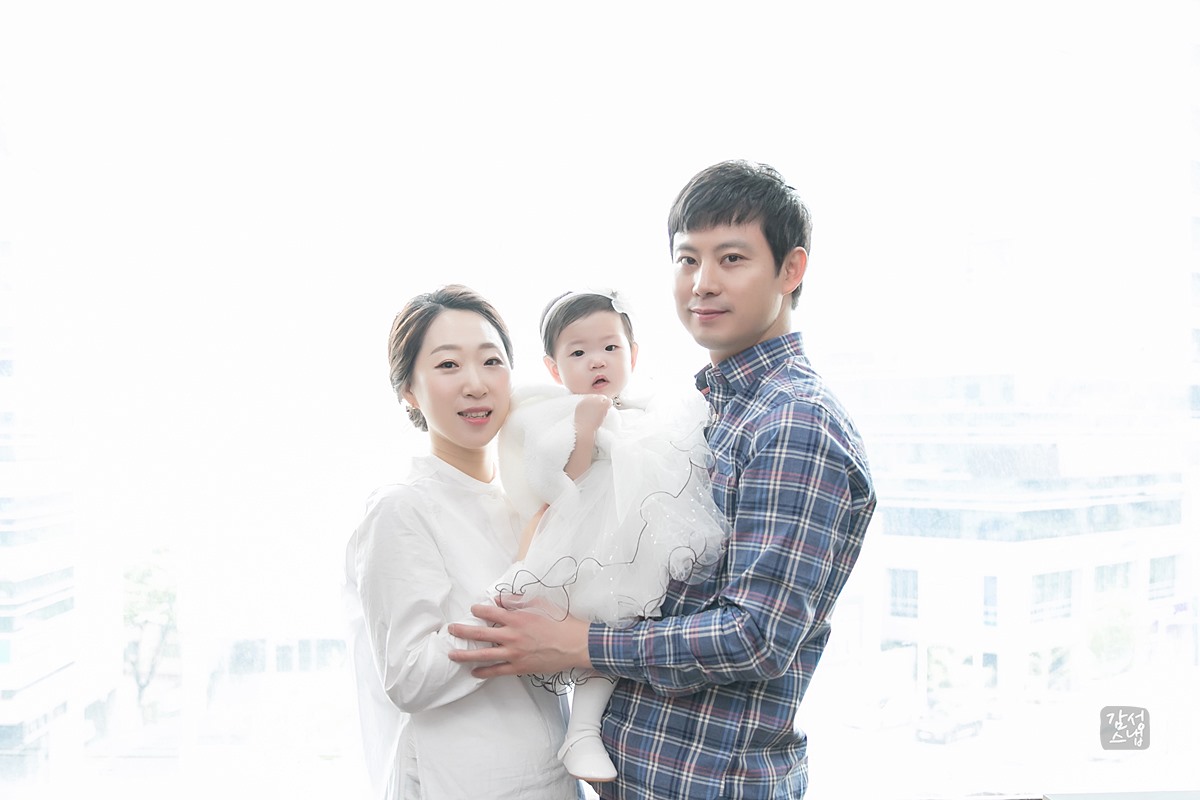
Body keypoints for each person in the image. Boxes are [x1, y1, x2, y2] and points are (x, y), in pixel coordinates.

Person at [448, 160, 877, 799]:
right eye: (687, 260)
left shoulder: (793, 422)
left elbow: (756, 637)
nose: (702, 283)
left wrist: (579, 644)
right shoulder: (709, 409)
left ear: (791, 270)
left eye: (732, 259)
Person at [341, 284, 581, 800]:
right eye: (448, 365)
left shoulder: (524, 501)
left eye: (491, 361)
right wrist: (517, 582)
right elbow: (407, 677)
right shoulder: (401, 508)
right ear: (409, 390)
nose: (475, 384)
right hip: (462, 782)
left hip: (552, 777)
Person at [493, 288, 729, 783]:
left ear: (633, 355)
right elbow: (562, 481)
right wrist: (584, 427)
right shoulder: (560, 413)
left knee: (630, 621)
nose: (596, 360)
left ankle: (588, 731)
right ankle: (581, 731)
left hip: (641, 536)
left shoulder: (654, 407)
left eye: (610, 347)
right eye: (578, 352)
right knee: (600, 622)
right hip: (589, 541)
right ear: (554, 368)